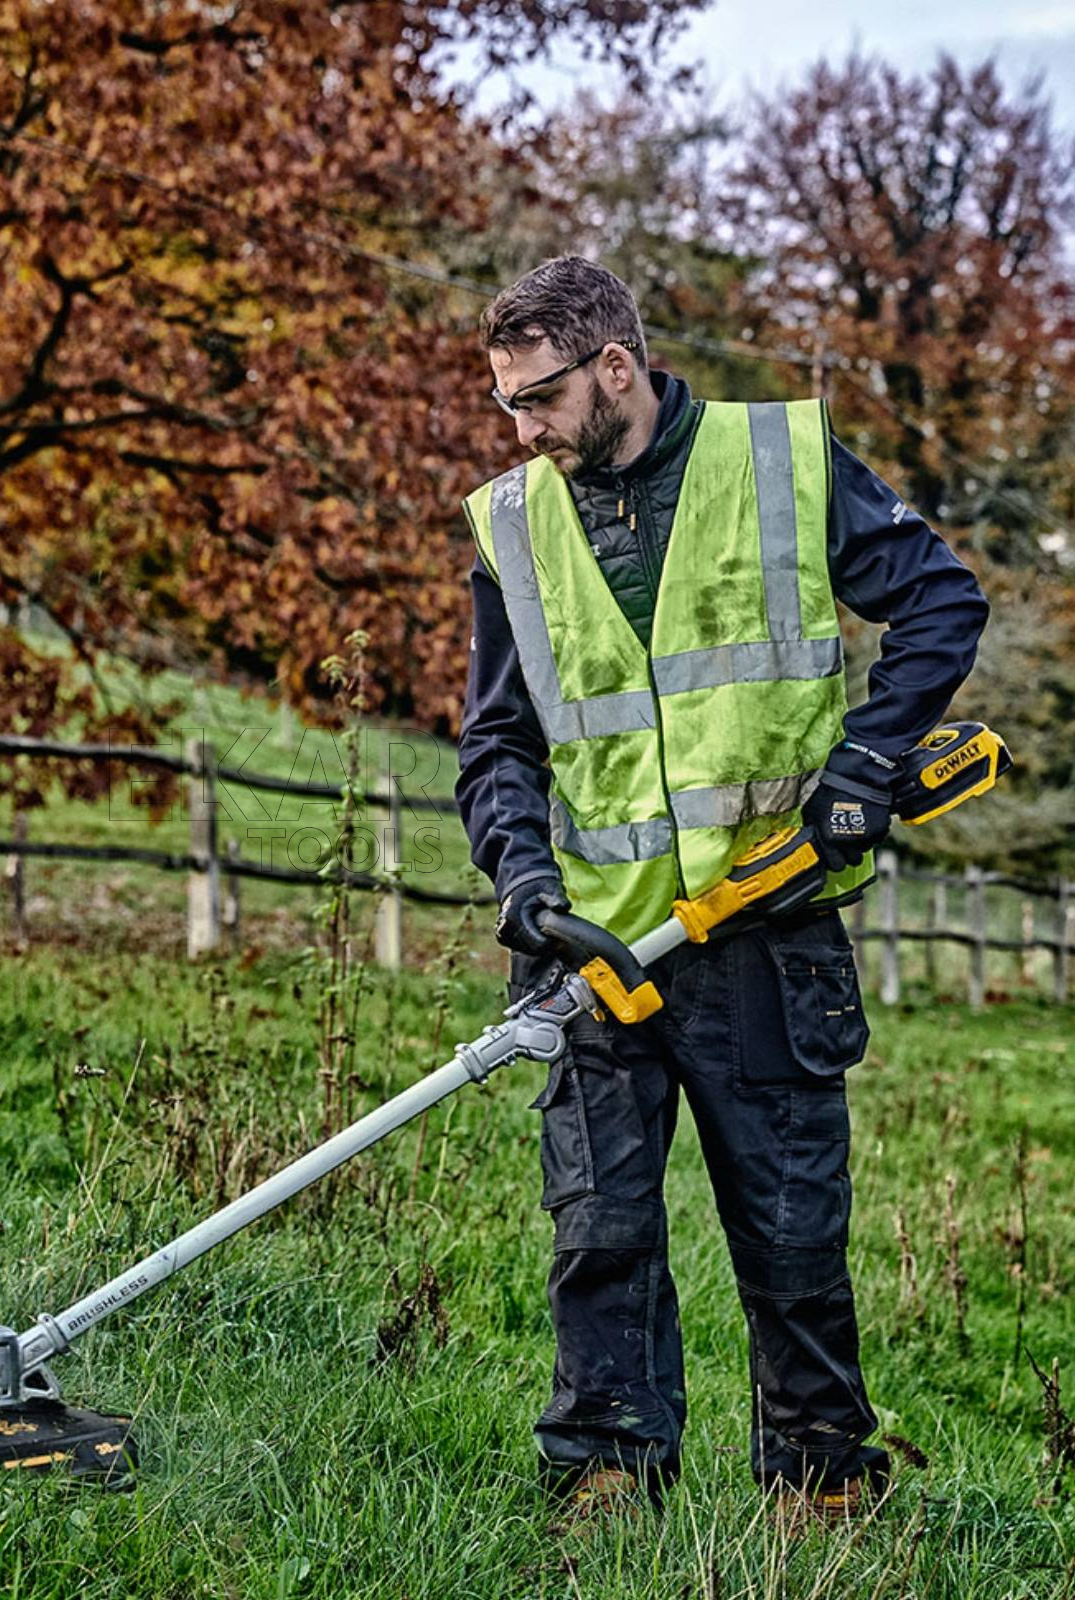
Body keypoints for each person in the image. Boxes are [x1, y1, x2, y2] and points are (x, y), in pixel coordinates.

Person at [454, 256, 989, 1522]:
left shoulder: (777, 460)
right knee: (599, 1228)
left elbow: (939, 600)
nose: (522, 430)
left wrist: (864, 764)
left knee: (791, 1228)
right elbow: (497, 740)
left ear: (615, 368)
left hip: (765, 927)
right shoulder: (512, 522)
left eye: (538, 398)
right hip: (594, 945)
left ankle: (819, 1481)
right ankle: (606, 1473)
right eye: (506, 405)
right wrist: (524, 882)